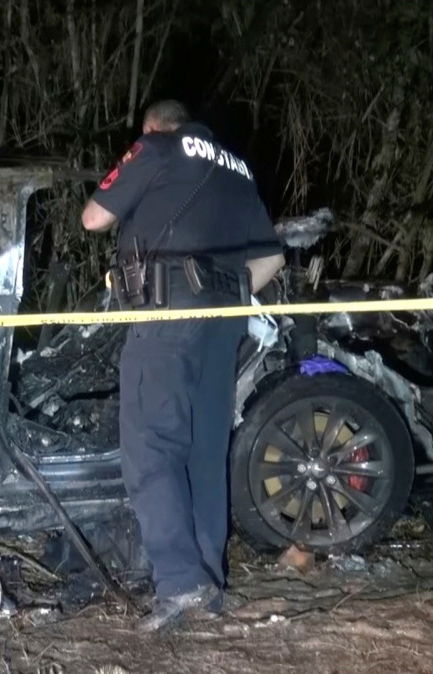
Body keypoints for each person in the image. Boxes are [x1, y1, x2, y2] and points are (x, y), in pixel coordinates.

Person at [80, 99, 285, 632]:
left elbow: (93, 218)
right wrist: (225, 296)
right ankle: (207, 587)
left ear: (151, 127)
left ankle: (179, 582)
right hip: (222, 326)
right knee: (202, 453)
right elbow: (271, 259)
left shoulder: (158, 148)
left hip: (165, 317)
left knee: (150, 447)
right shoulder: (238, 170)